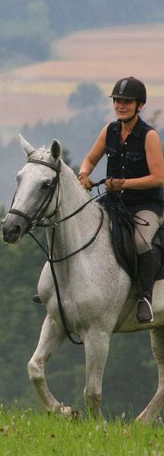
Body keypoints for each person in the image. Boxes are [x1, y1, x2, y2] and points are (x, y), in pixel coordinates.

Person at [77, 76, 164, 323]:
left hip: (146, 205)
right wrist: (84, 174)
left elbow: (159, 178)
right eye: (117, 100)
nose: (120, 105)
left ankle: (145, 297)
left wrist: (123, 184)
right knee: (82, 227)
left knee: (140, 242)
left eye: (127, 101)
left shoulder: (149, 136)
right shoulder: (110, 131)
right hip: (115, 203)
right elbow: (90, 159)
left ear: (140, 105)